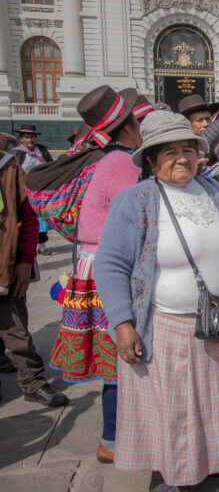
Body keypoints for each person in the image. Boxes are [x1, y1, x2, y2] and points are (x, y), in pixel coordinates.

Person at [94, 110, 219, 490]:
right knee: (179, 415)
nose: (182, 157)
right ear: (150, 160)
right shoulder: (136, 200)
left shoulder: (213, 190)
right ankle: (174, 478)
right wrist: (122, 324)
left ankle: (213, 462)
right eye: (168, 152)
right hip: (169, 327)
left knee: (215, 404)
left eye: (188, 148)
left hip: (217, 321)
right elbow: (111, 264)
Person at [47, 85, 142, 463]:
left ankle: (115, 436)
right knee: (119, 356)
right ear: (129, 128)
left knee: (115, 358)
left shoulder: (101, 159)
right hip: (109, 266)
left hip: (92, 261)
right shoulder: (121, 163)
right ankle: (113, 440)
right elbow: (139, 215)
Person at [0, 149, 68, 407]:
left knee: (16, 329)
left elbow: (28, 218)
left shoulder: (9, 168)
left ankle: (33, 382)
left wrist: (25, 260)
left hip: (6, 266)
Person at [12, 124, 54, 255]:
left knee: (41, 220)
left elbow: (51, 167)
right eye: (26, 137)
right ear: (21, 139)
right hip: (24, 191)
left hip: (40, 190)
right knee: (24, 219)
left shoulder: (42, 151)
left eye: (32, 137)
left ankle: (41, 245)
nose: (30, 140)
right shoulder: (16, 153)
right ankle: (23, 246)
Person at [177, 93, 219, 163]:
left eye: (208, 119)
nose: (205, 124)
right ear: (187, 124)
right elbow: (201, 146)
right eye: (199, 120)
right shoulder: (182, 146)